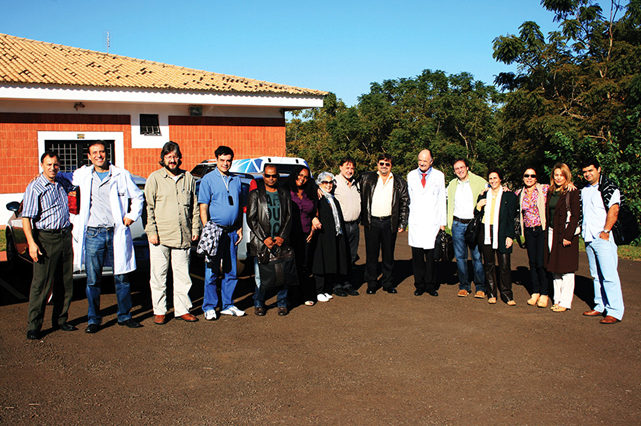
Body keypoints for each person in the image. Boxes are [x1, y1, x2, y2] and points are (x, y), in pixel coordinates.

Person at [67, 141, 144, 333]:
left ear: (106, 154)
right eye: (95, 153)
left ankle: (125, 316)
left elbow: (138, 197)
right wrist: (42, 175)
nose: (99, 155)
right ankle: (94, 319)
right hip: (93, 232)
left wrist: (131, 216)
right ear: (89, 156)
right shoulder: (83, 174)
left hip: (116, 231)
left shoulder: (121, 174)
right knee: (93, 280)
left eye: (101, 152)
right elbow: (61, 176)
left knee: (122, 277)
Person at [144, 142, 201, 324]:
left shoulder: (188, 178)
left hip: (183, 235)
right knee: (159, 276)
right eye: (168, 156)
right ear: (163, 159)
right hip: (160, 236)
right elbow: (148, 208)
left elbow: (194, 207)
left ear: (179, 158)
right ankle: (160, 311)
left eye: (175, 156)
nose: (172, 160)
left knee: (183, 277)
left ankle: (182, 309)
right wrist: (151, 231)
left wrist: (195, 229)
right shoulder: (154, 178)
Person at [22, 151, 76, 340]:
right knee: (41, 285)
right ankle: (34, 325)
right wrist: (32, 243)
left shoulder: (61, 183)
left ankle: (61, 320)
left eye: (55, 164)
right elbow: (27, 218)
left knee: (65, 282)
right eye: (48, 165)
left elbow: (78, 183)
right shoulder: (35, 187)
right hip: (46, 239)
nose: (52, 168)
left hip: (64, 237)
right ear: (41, 165)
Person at [198, 145, 245, 319]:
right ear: (216, 160)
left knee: (231, 270)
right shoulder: (208, 180)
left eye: (228, 160)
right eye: (222, 160)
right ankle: (209, 306)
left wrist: (239, 226)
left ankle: (228, 304)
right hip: (215, 231)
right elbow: (203, 207)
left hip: (232, 231)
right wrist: (207, 231)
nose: (225, 164)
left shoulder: (236, 180)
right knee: (211, 270)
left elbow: (239, 206)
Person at [581, 158, 625, 324]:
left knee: (609, 274)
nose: (588, 174)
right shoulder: (584, 190)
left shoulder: (609, 187)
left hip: (603, 236)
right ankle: (600, 305)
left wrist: (606, 231)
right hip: (588, 237)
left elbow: (614, 210)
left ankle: (614, 310)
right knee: (596, 275)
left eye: (590, 170)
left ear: (599, 169)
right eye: (585, 171)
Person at [247, 164, 293, 316]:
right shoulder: (255, 194)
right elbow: (251, 219)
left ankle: (282, 303)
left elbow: (289, 217)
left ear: (277, 176)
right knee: (261, 276)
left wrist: (282, 236)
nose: (271, 178)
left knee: (282, 274)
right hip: (262, 242)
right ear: (263, 176)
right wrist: (264, 238)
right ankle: (259, 303)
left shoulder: (284, 194)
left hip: (280, 241)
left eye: (273, 175)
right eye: (268, 175)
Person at [360, 153, 409, 294]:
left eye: (387, 164)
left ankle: (387, 282)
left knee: (388, 255)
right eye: (381, 163)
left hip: (389, 222)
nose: (384, 166)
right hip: (372, 222)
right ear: (377, 164)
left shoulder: (399, 182)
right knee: (371, 254)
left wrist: (402, 222)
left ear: (391, 165)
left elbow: (404, 202)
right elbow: (354, 190)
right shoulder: (367, 178)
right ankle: (372, 283)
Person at [407, 150, 446, 297]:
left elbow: (442, 198)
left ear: (431, 161)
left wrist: (442, 222)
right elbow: (409, 198)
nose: (422, 163)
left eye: (425, 160)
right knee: (417, 256)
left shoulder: (439, 176)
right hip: (416, 220)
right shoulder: (411, 175)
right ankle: (419, 285)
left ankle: (430, 285)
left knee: (431, 256)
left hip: (432, 221)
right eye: (419, 160)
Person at [447, 159, 488, 299]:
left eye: (462, 167)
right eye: (456, 168)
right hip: (457, 224)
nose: (460, 170)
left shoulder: (479, 181)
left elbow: (493, 189)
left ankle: (480, 287)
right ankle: (464, 286)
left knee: (477, 256)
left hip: (473, 224)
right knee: (460, 258)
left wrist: (504, 188)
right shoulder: (452, 184)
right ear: (454, 171)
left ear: (467, 168)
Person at [476, 170, 518, 305]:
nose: (493, 180)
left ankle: (507, 294)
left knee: (505, 265)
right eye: (490, 178)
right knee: (488, 264)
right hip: (486, 232)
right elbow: (476, 214)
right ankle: (491, 293)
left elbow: (511, 218)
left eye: (495, 178)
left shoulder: (509, 196)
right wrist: (478, 205)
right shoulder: (483, 194)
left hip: (502, 232)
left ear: (500, 179)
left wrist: (510, 236)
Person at [544, 163, 580, 312]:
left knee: (567, 269)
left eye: (561, 175)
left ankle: (565, 302)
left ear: (567, 176)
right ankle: (557, 299)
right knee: (555, 267)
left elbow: (576, 216)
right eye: (556, 175)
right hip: (552, 231)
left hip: (565, 233)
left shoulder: (572, 191)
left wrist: (568, 235)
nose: (558, 178)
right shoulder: (551, 191)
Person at [284, 165, 322, 305]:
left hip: (306, 233)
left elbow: (315, 210)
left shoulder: (310, 192)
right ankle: (290, 297)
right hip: (289, 234)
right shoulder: (286, 190)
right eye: (300, 175)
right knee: (289, 266)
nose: (302, 179)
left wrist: (313, 227)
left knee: (304, 266)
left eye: (305, 177)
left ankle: (305, 295)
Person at [312, 172, 353, 300]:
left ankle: (326, 289)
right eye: (325, 182)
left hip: (333, 234)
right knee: (321, 263)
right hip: (321, 235)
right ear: (319, 184)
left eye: (330, 182)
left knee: (330, 262)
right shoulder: (316, 197)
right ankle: (318, 291)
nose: (328, 185)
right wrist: (316, 189)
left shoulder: (332, 198)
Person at [516, 167, 550, 308]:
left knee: (541, 262)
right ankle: (535, 291)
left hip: (541, 230)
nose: (529, 178)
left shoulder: (544, 189)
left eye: (532, 175)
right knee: (533, 262)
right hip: (529, 231)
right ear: (523, 178)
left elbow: (561, 186)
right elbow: (502, 193)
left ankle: (544, 293)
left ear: (536, 178)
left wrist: (570, 184)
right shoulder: (519, 193)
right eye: (526, 175)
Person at [333, 156, 361, 294]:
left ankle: (348, 283)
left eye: (352, 168)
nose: (349, 171)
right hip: (341, 225)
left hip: (354, 226)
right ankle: (337, 284)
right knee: (339, 256)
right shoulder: (334, 182)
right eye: (347, 167)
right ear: (340, 167)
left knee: (351, 256)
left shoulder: (357, 183)